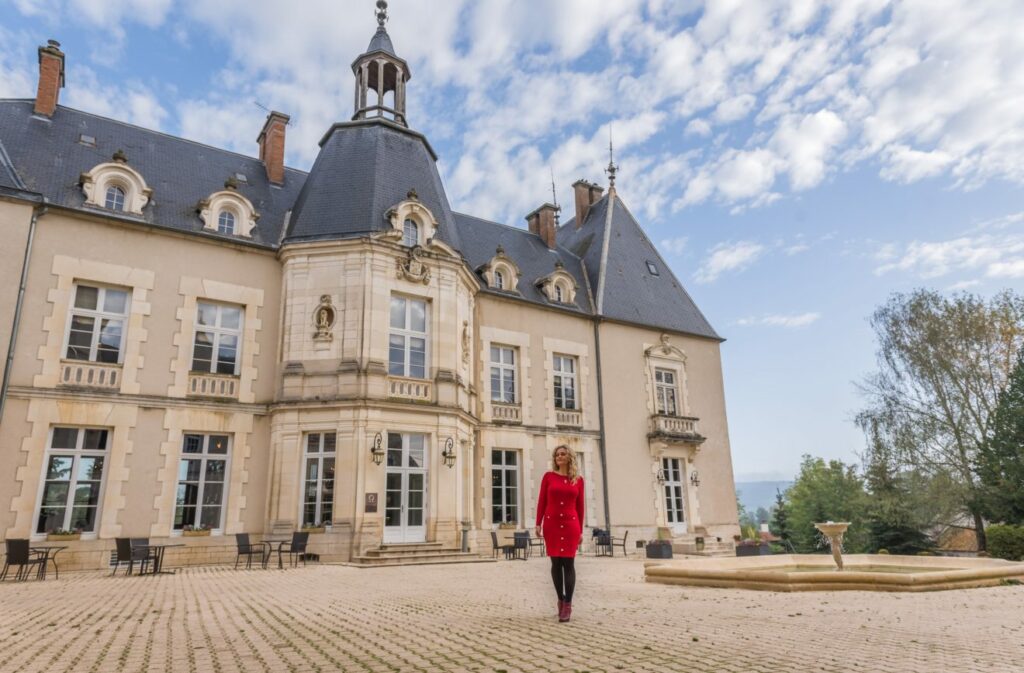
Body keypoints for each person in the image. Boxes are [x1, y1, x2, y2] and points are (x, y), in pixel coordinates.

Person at [535, 444, 585, 622]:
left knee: (569, 564)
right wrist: (537, 523)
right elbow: (542, 500)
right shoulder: (548, 477)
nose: (559, 457)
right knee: (556, 563)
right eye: (557, 454)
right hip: (552, 524)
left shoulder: (578, 480)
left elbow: (580, 507)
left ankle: (568, 605)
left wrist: (581, 530)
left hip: (571, 525)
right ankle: (560, 599)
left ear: (569, 457)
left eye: (563, 454)